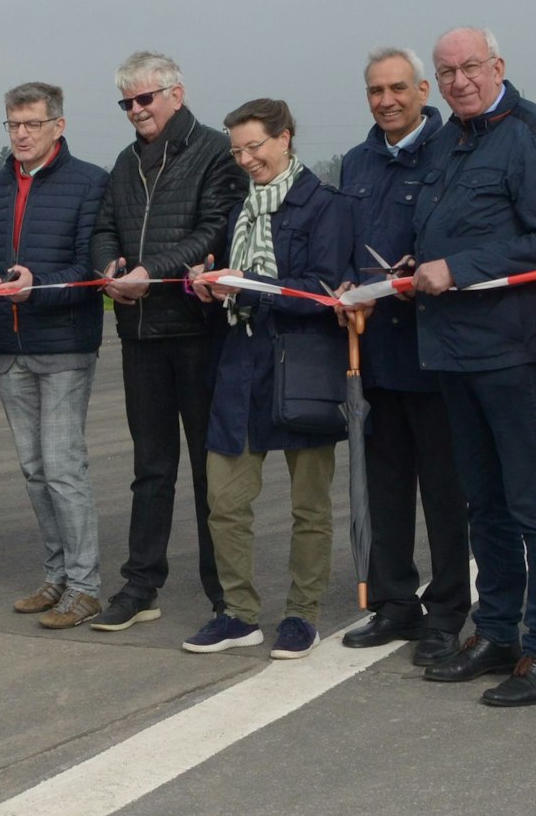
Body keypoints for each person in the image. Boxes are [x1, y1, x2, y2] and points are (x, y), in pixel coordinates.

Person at [410, 26, 536, 706]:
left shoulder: (533, 132)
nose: (458, 81)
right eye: (446, 72)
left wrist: (457, 267)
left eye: (470, 67)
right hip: (454, 349)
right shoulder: (448, 140)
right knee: (483, 503)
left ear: (498, 66)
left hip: (513, 351)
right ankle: (497, 632)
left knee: (534, 503)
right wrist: (420, 261)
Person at [182, 99, 349, 658]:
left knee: (310, 506)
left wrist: (248, 286)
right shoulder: (241, 210)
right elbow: (237, 283)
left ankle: (302, 615)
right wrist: (208, 285)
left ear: (285, 138)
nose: (246, 159)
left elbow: (323, 290)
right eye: (237, 151)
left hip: (301, 365)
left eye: (254, 146)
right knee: (224, 500)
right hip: (240, 364)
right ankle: (237, 613)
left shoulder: (325, 205)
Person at [89, 52, 247, 632]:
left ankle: (225, 595)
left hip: (198, 333)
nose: (135, 110)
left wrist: (150, 271)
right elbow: (104, 225)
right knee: (150, 468)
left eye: (144, 98)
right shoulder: (125, 161)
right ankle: (141, 584)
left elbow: (214, 228)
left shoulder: (215, 151)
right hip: (139, 334)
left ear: (175, 94)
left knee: (211, 471)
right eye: (126, 102)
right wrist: (108, 266)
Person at [335, 48, 473, 667]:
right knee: (383, 489)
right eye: (375, 91)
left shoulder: (453, 151)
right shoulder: (356, 162)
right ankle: (395, 604)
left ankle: (446, 613)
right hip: (374, 352)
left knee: (445, 494)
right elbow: (345, 242)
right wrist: (342, 285)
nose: (386, 101)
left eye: (397, 88)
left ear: (423, 90)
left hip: (435, 353)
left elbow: (462, 237)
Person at [0, 82, 110, 630]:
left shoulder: (89, 182)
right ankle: (57, 576)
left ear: (58, 126)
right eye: (13, 124)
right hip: (11, 345)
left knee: (63, 468)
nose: (21, 134)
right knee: (33, 470)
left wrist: (37, 286)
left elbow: (90, 268)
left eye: (32, 124)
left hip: (65, 345)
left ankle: (85, 586)